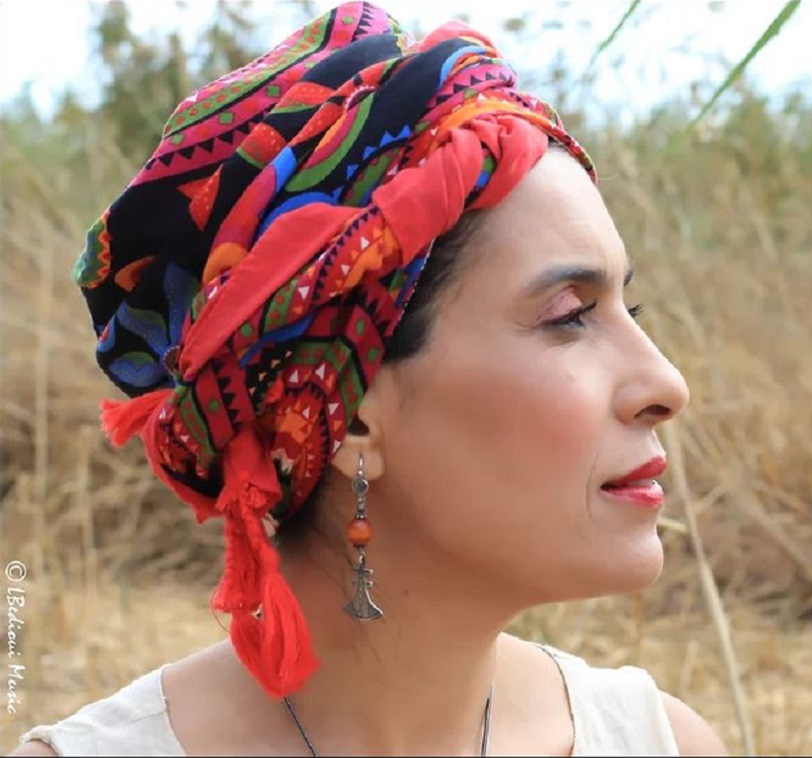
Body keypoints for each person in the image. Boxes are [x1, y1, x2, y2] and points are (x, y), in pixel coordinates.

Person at [11, 3, 727, 756]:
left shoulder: (660, 743)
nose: (666, 383)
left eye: (628, 308)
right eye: (569, 315)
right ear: (347, 415)